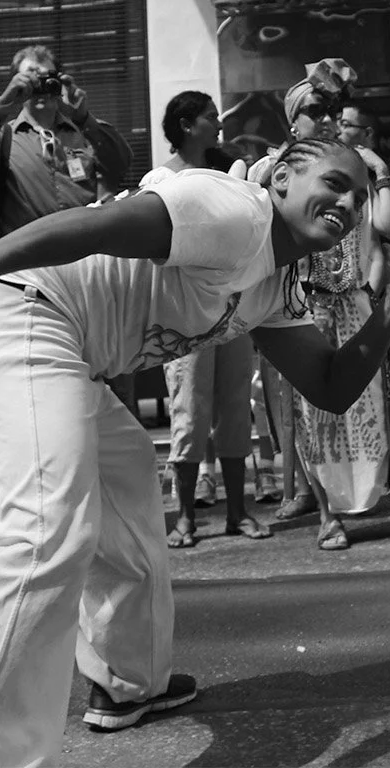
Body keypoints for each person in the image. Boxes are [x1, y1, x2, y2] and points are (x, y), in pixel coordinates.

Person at [0, 139, 390, 767]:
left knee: (128, 502)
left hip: (70, 353)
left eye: (360, 197)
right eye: (335, 182)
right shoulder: (232, 212)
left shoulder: (276, 283)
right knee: (46, 535)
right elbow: (96, 224)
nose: (347, 202)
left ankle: (129, 684)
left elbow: (332, 387)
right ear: (282, 177)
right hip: (20, 310)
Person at [263, 62, 390, 550]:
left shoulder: (353, 167)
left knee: (385, 404)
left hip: (356, 300)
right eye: (313, 110)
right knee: (313, 414)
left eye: (330, 110)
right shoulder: (276, 169)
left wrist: (378, 169)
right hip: (304, 304)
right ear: (293, 122)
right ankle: (329, 515)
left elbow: (388, 227)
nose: (325, 118)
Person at [142, 91, 267, 547]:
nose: (218, 123)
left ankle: (238, 512)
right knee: (189, 414)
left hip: (232, 311)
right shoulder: (159, 180)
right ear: (187, 124)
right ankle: (185, 518)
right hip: (185, 316)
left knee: (235, 410)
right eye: (211, 116)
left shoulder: (228, 172)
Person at [0, 44, 133, 240]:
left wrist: (82, 117)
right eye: (31, 80)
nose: (40, 87)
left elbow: (121, 162)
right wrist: (2, 105)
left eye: (47, 79)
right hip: (26, 259)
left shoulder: (83, 132)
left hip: (82, 253)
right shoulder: (4, 137)